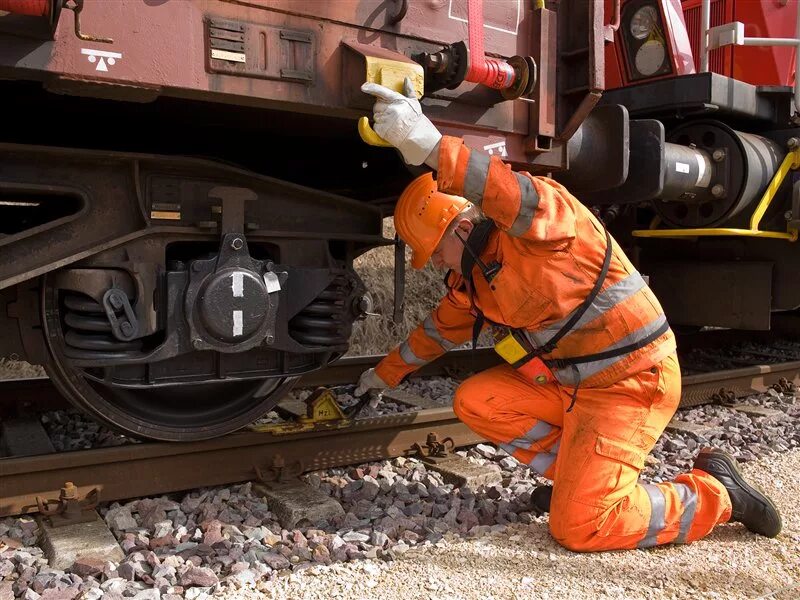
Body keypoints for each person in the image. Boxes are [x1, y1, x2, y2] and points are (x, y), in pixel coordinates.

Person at [354, 78, 782, 552]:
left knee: (580, 529)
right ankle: (580, 483)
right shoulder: (475, 283)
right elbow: (433, 335)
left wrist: (431, 146)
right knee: (477, 399)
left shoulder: (548, 223)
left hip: (633, 382)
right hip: (576, 388)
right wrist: (380, 376)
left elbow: (501, 188)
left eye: (433, 253)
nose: (434, 265)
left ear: (456, 228)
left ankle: (716, 494)